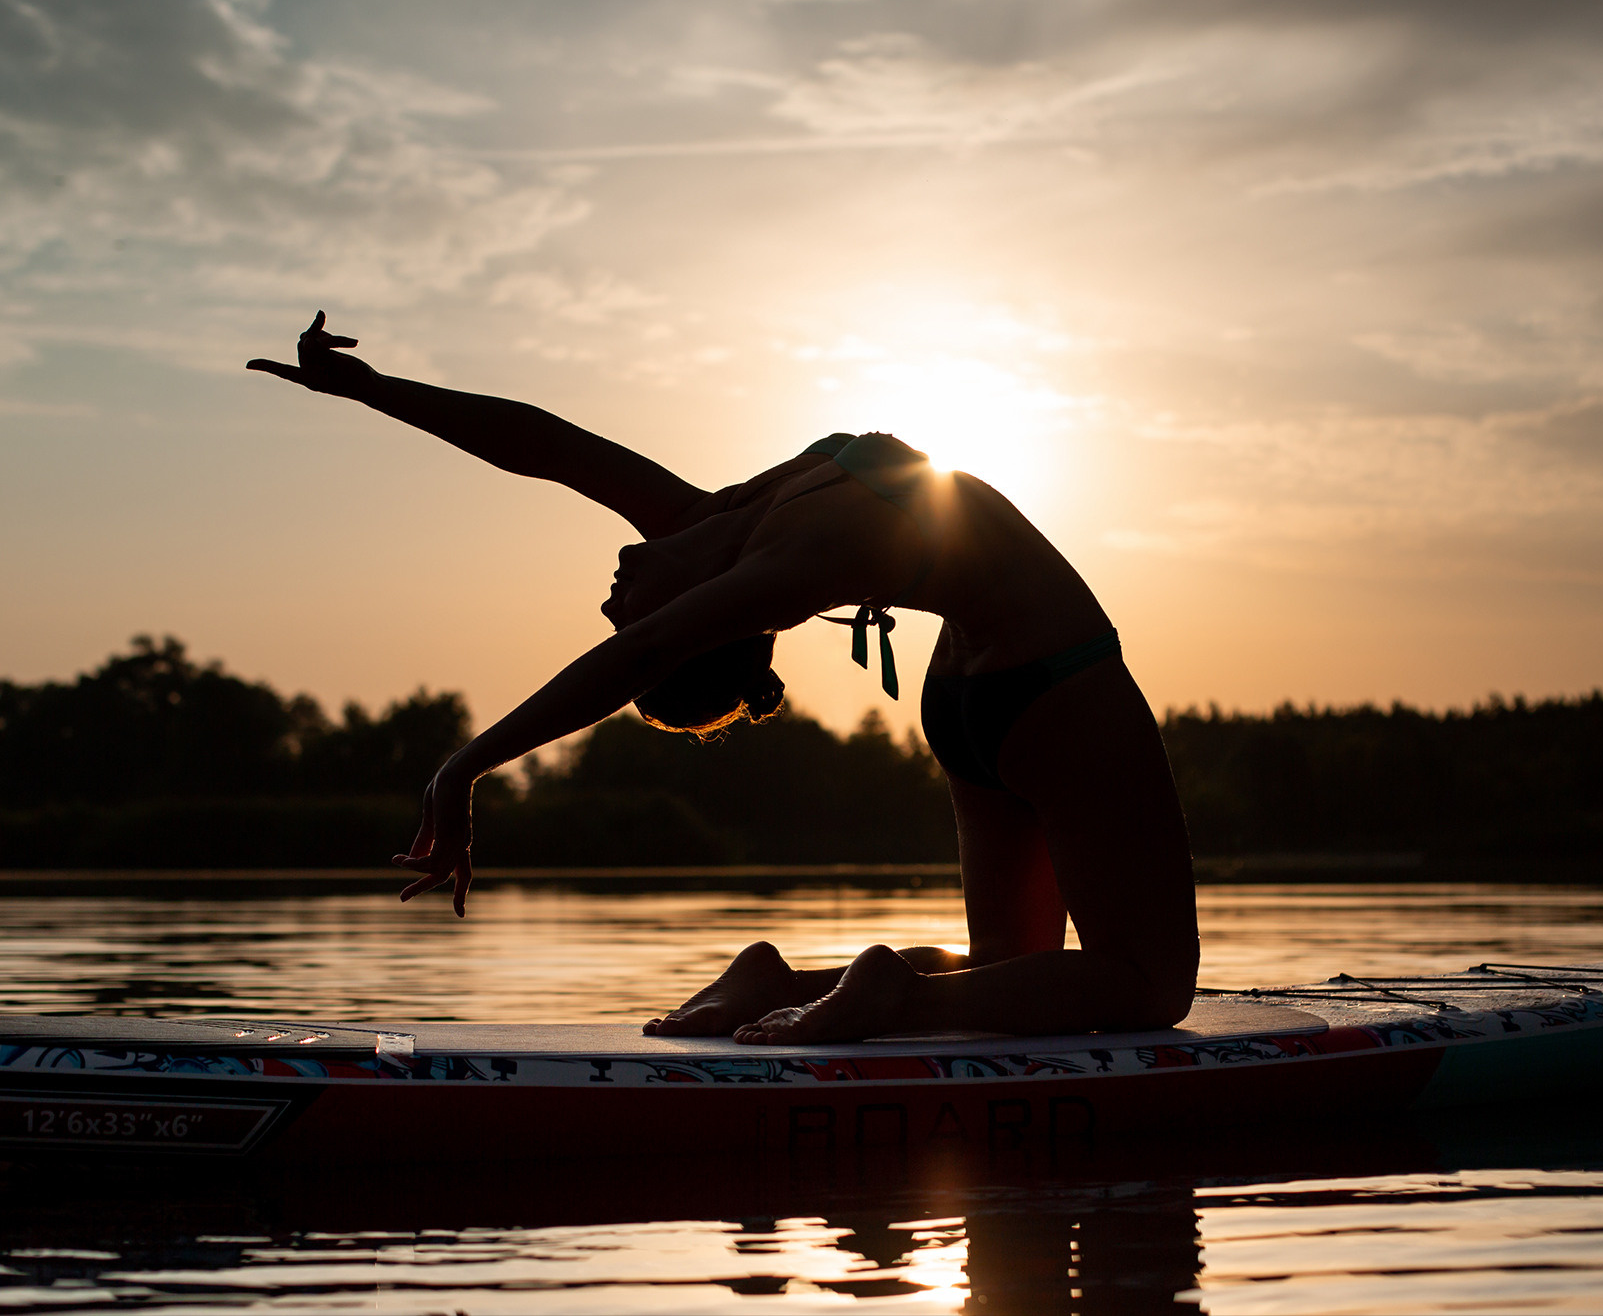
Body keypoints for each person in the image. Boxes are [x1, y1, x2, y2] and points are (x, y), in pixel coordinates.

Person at [250, 313, 1199, 1044]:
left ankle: (783, 985)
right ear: (706, 626)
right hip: (1052, 679)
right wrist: (462, 768)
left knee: (1011, 967)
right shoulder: (773, 568)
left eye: (631, 612)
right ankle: (889, 995)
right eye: (639, 618)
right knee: (1147, 984)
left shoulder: (712, 519)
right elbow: (630, 659)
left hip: (967, 695)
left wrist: (375, 392)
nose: (617, 596)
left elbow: (545, 447)